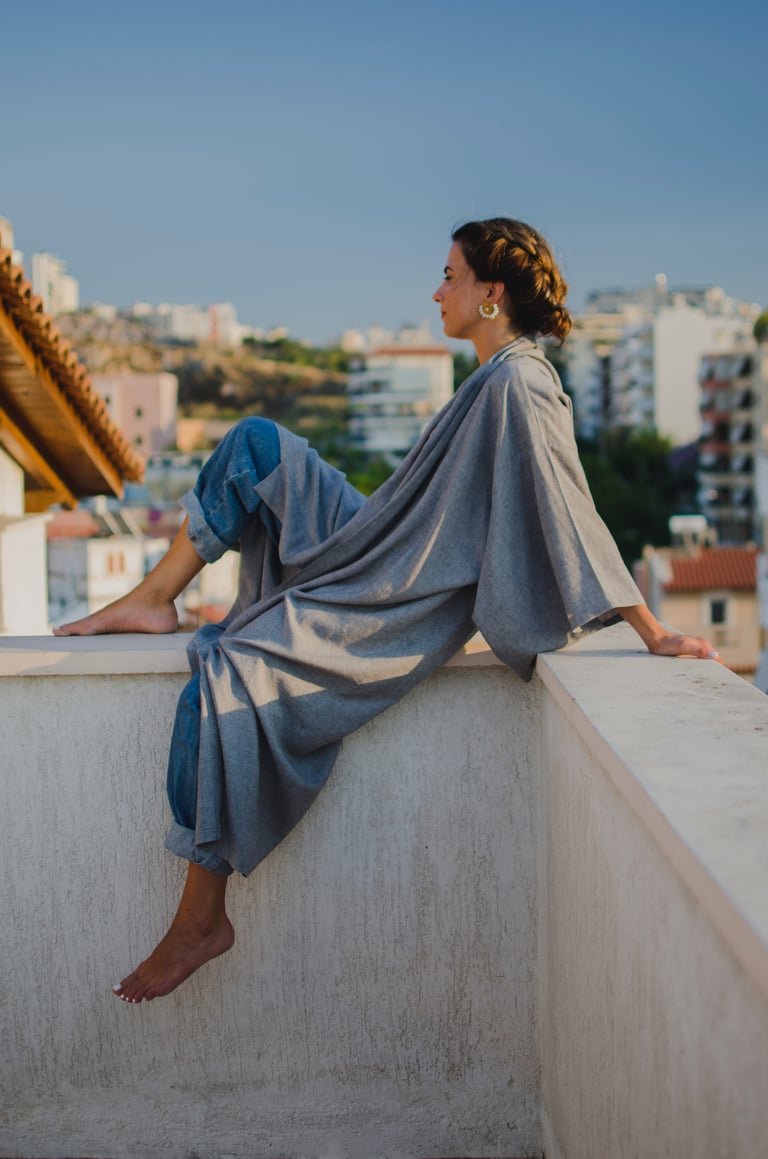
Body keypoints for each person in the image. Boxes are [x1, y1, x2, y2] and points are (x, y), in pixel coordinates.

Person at [55, 217, 720, 1004]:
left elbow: (571, 506)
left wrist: (649, 628)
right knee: (256, 445)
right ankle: (151, 599)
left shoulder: (521, 383)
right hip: (379, 536)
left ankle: (202, 916)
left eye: (449, 275)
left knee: (227, 677)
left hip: (394, 587)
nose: (437, 291)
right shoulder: (496, 373)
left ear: (491, 293)